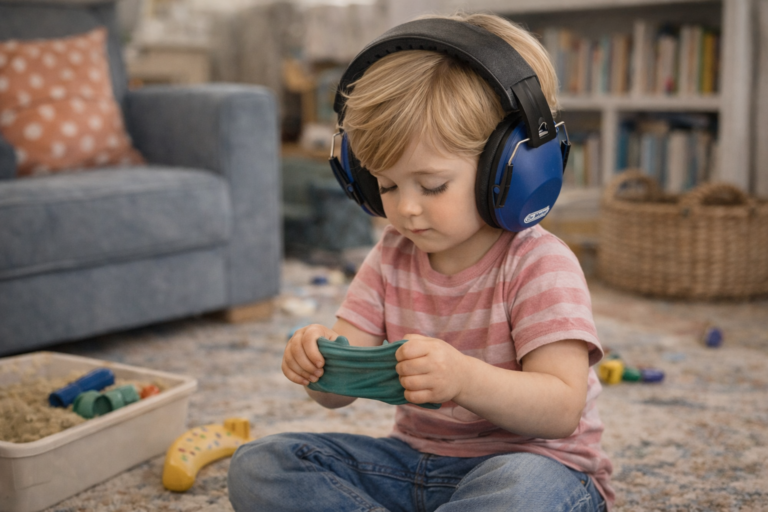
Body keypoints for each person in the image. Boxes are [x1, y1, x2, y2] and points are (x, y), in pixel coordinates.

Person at [228, 12, 613, 512]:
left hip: (533, 465)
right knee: (262, 465)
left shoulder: (539, 263)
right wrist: (319, 364)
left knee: (521, 494)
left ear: (510, 168)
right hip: (412, 463)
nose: (405, 208)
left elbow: (562, 409)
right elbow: (340, 391)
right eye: (386, 185)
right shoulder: (391, 254)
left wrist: (464, 379)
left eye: (431, 186)